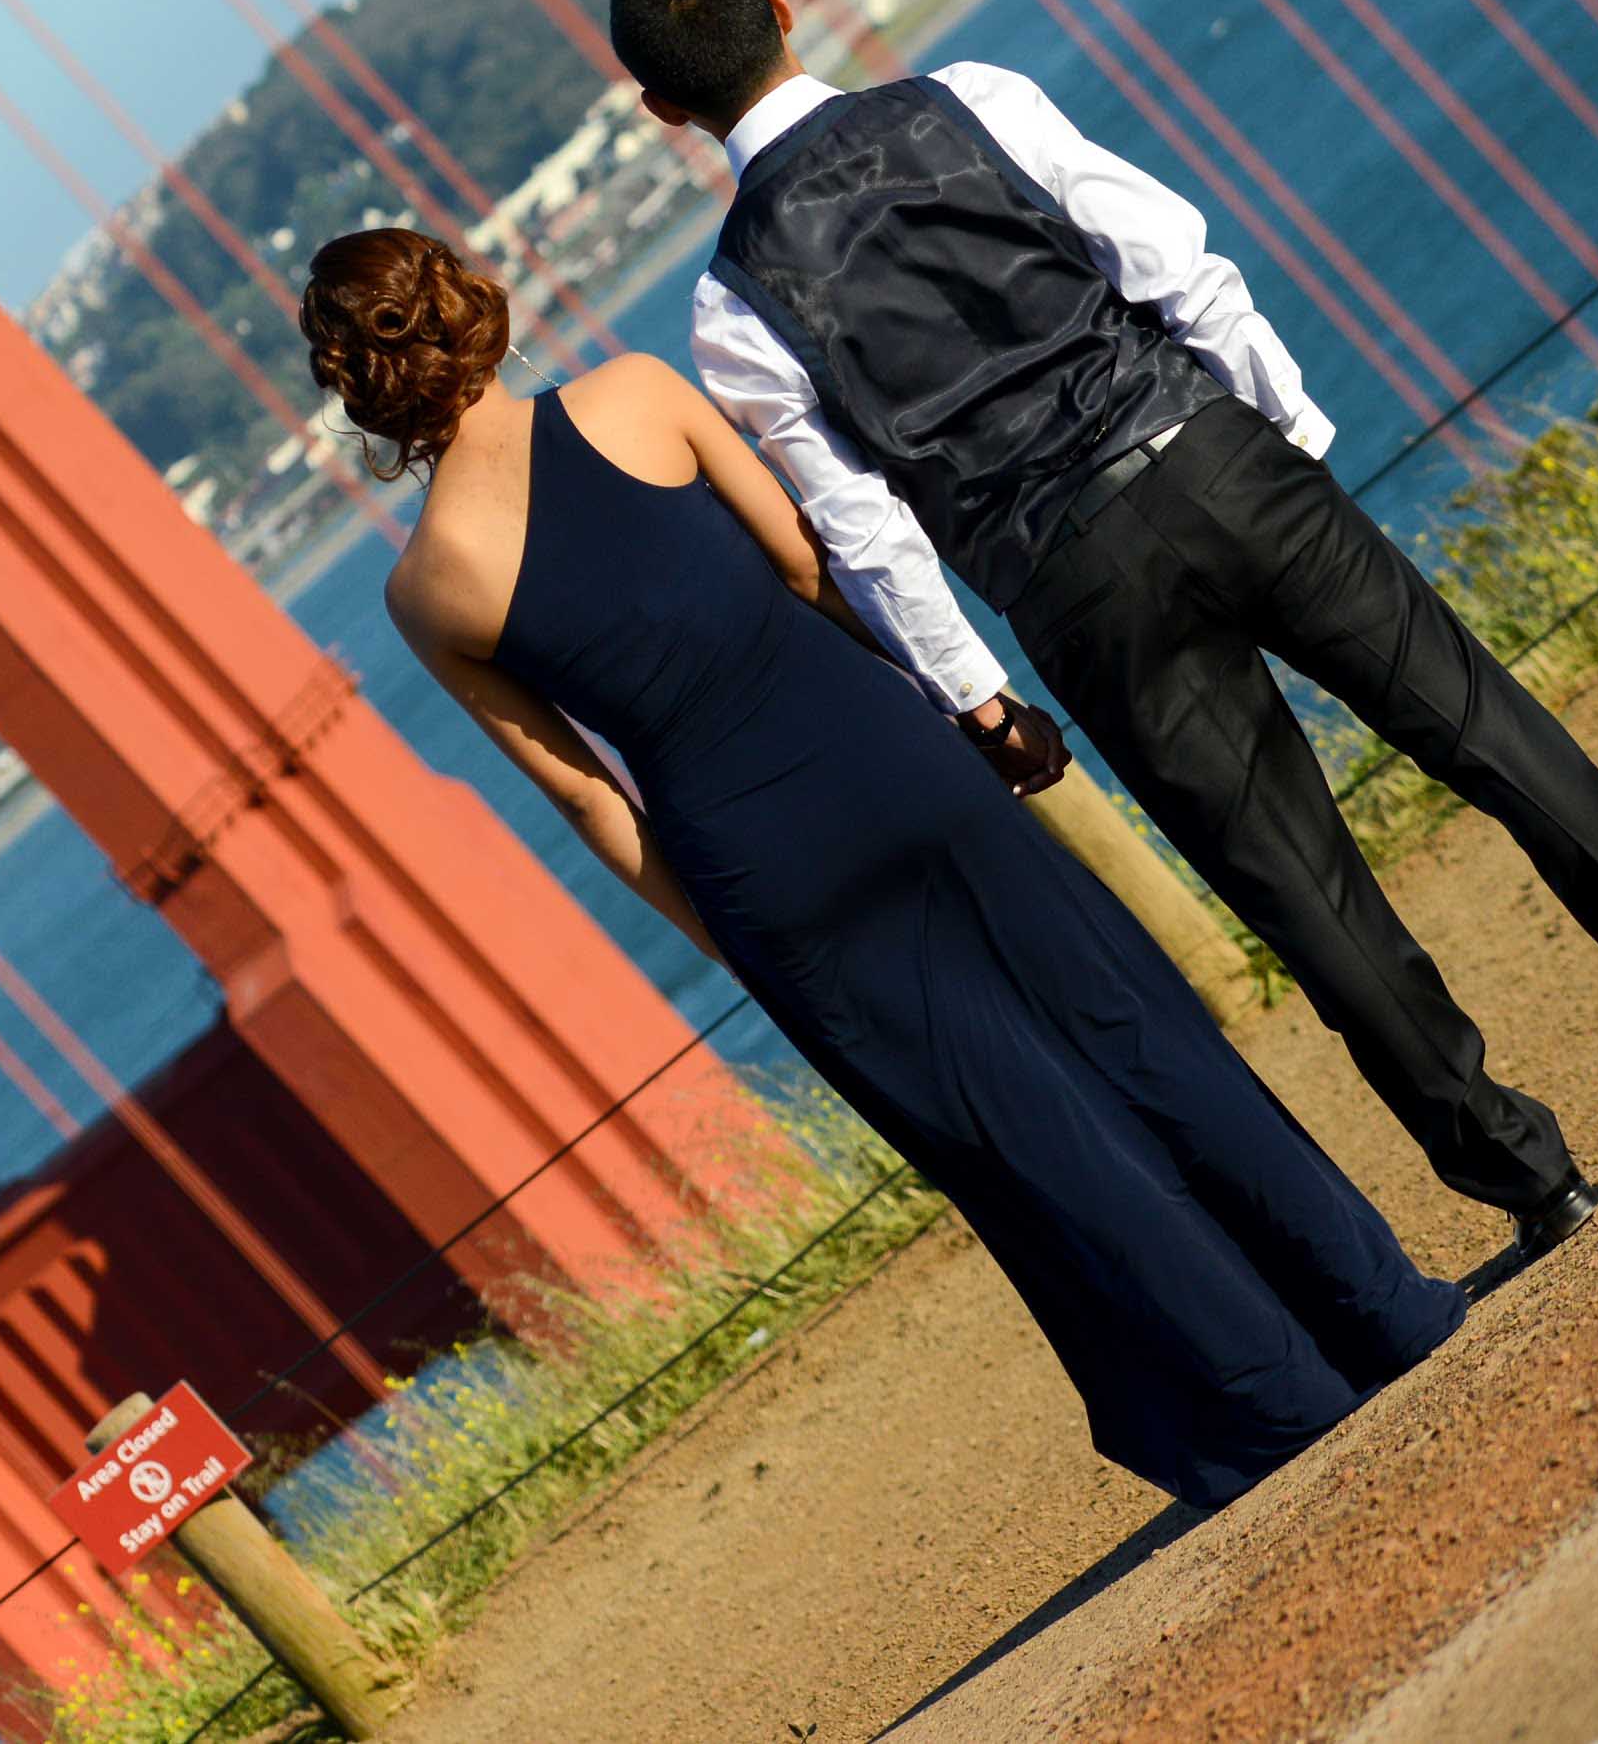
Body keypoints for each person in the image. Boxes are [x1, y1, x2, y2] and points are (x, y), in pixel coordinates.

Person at [602, 0, 1598, 1262]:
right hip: (1213, 458)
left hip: (1065, 581)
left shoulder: (731, 307)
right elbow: (1173, 260)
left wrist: (978, 700)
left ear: (662, 111)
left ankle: (1524, 1175)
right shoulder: (970, 97)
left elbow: (866, 531)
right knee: (1488, 733)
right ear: (781, 7)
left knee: (1297, 883)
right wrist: (1279, 429)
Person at [321, 228, 1463, 1511]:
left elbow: (591, 794)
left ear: (359, 390)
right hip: (886, 756)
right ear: (473, 307)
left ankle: (1271, 1399)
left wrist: (726, 932)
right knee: (1133, 1026)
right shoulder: (634, 394)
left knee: (1019, 1141)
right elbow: (813, 565)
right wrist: (970, 708)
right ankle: (1382, 1310)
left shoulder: (428, 589)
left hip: (762, 871)